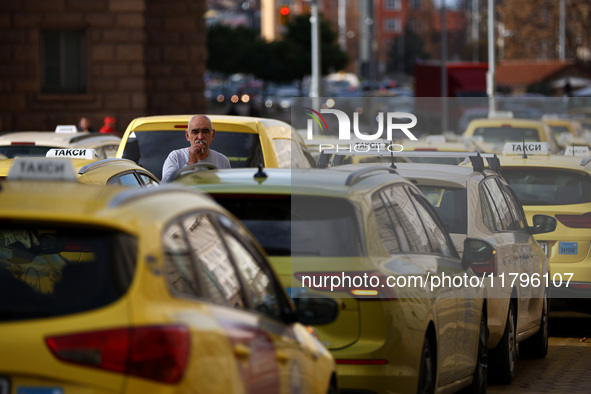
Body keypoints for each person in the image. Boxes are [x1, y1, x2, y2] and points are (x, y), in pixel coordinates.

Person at [161, 115, 230, 183]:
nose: (200, 137)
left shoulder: (222, 161)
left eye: (205, 131)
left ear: (213, 135)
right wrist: (191, 163)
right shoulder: (176, 157)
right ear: (187, 135)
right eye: (195, 132)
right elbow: (165, 186)